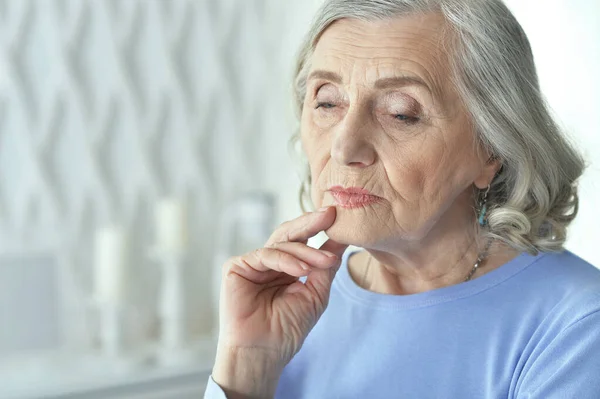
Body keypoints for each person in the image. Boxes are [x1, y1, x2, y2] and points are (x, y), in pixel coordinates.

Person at [205, 0, 600, 397]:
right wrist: (245, 367)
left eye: (401, 113)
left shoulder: (576, 328)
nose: (344, 147)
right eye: (326, 102)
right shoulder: (290, 302)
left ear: (493, 149)